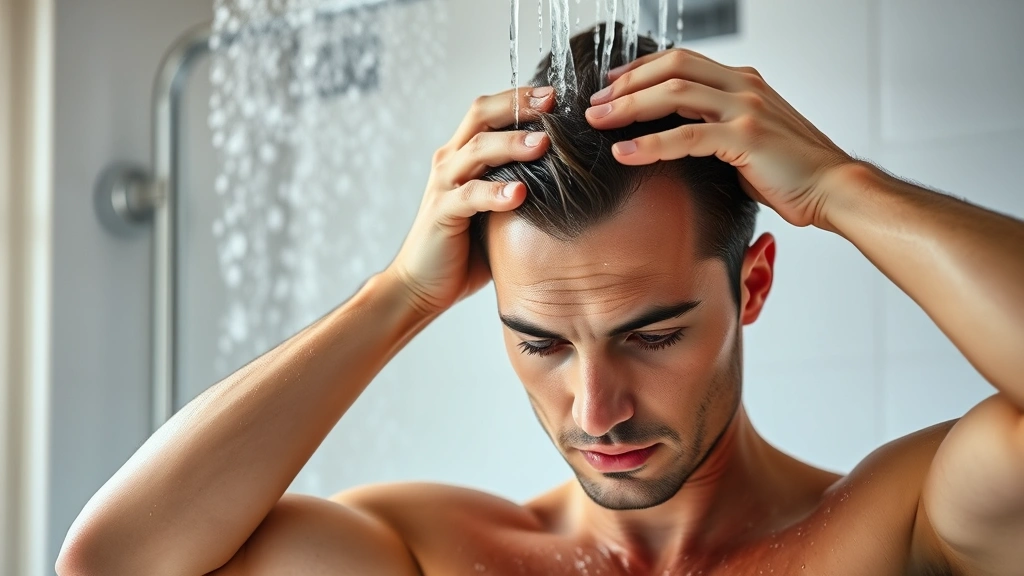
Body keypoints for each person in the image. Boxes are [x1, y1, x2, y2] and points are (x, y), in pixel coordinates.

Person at [57, 24, 1024, 576]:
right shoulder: (437, 556)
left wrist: (838, 188)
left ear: (752, 284)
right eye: (542, 342)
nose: (595, 409)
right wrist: (397, 293)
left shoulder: (893, 533)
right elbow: (112, 563)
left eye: (652, 335)